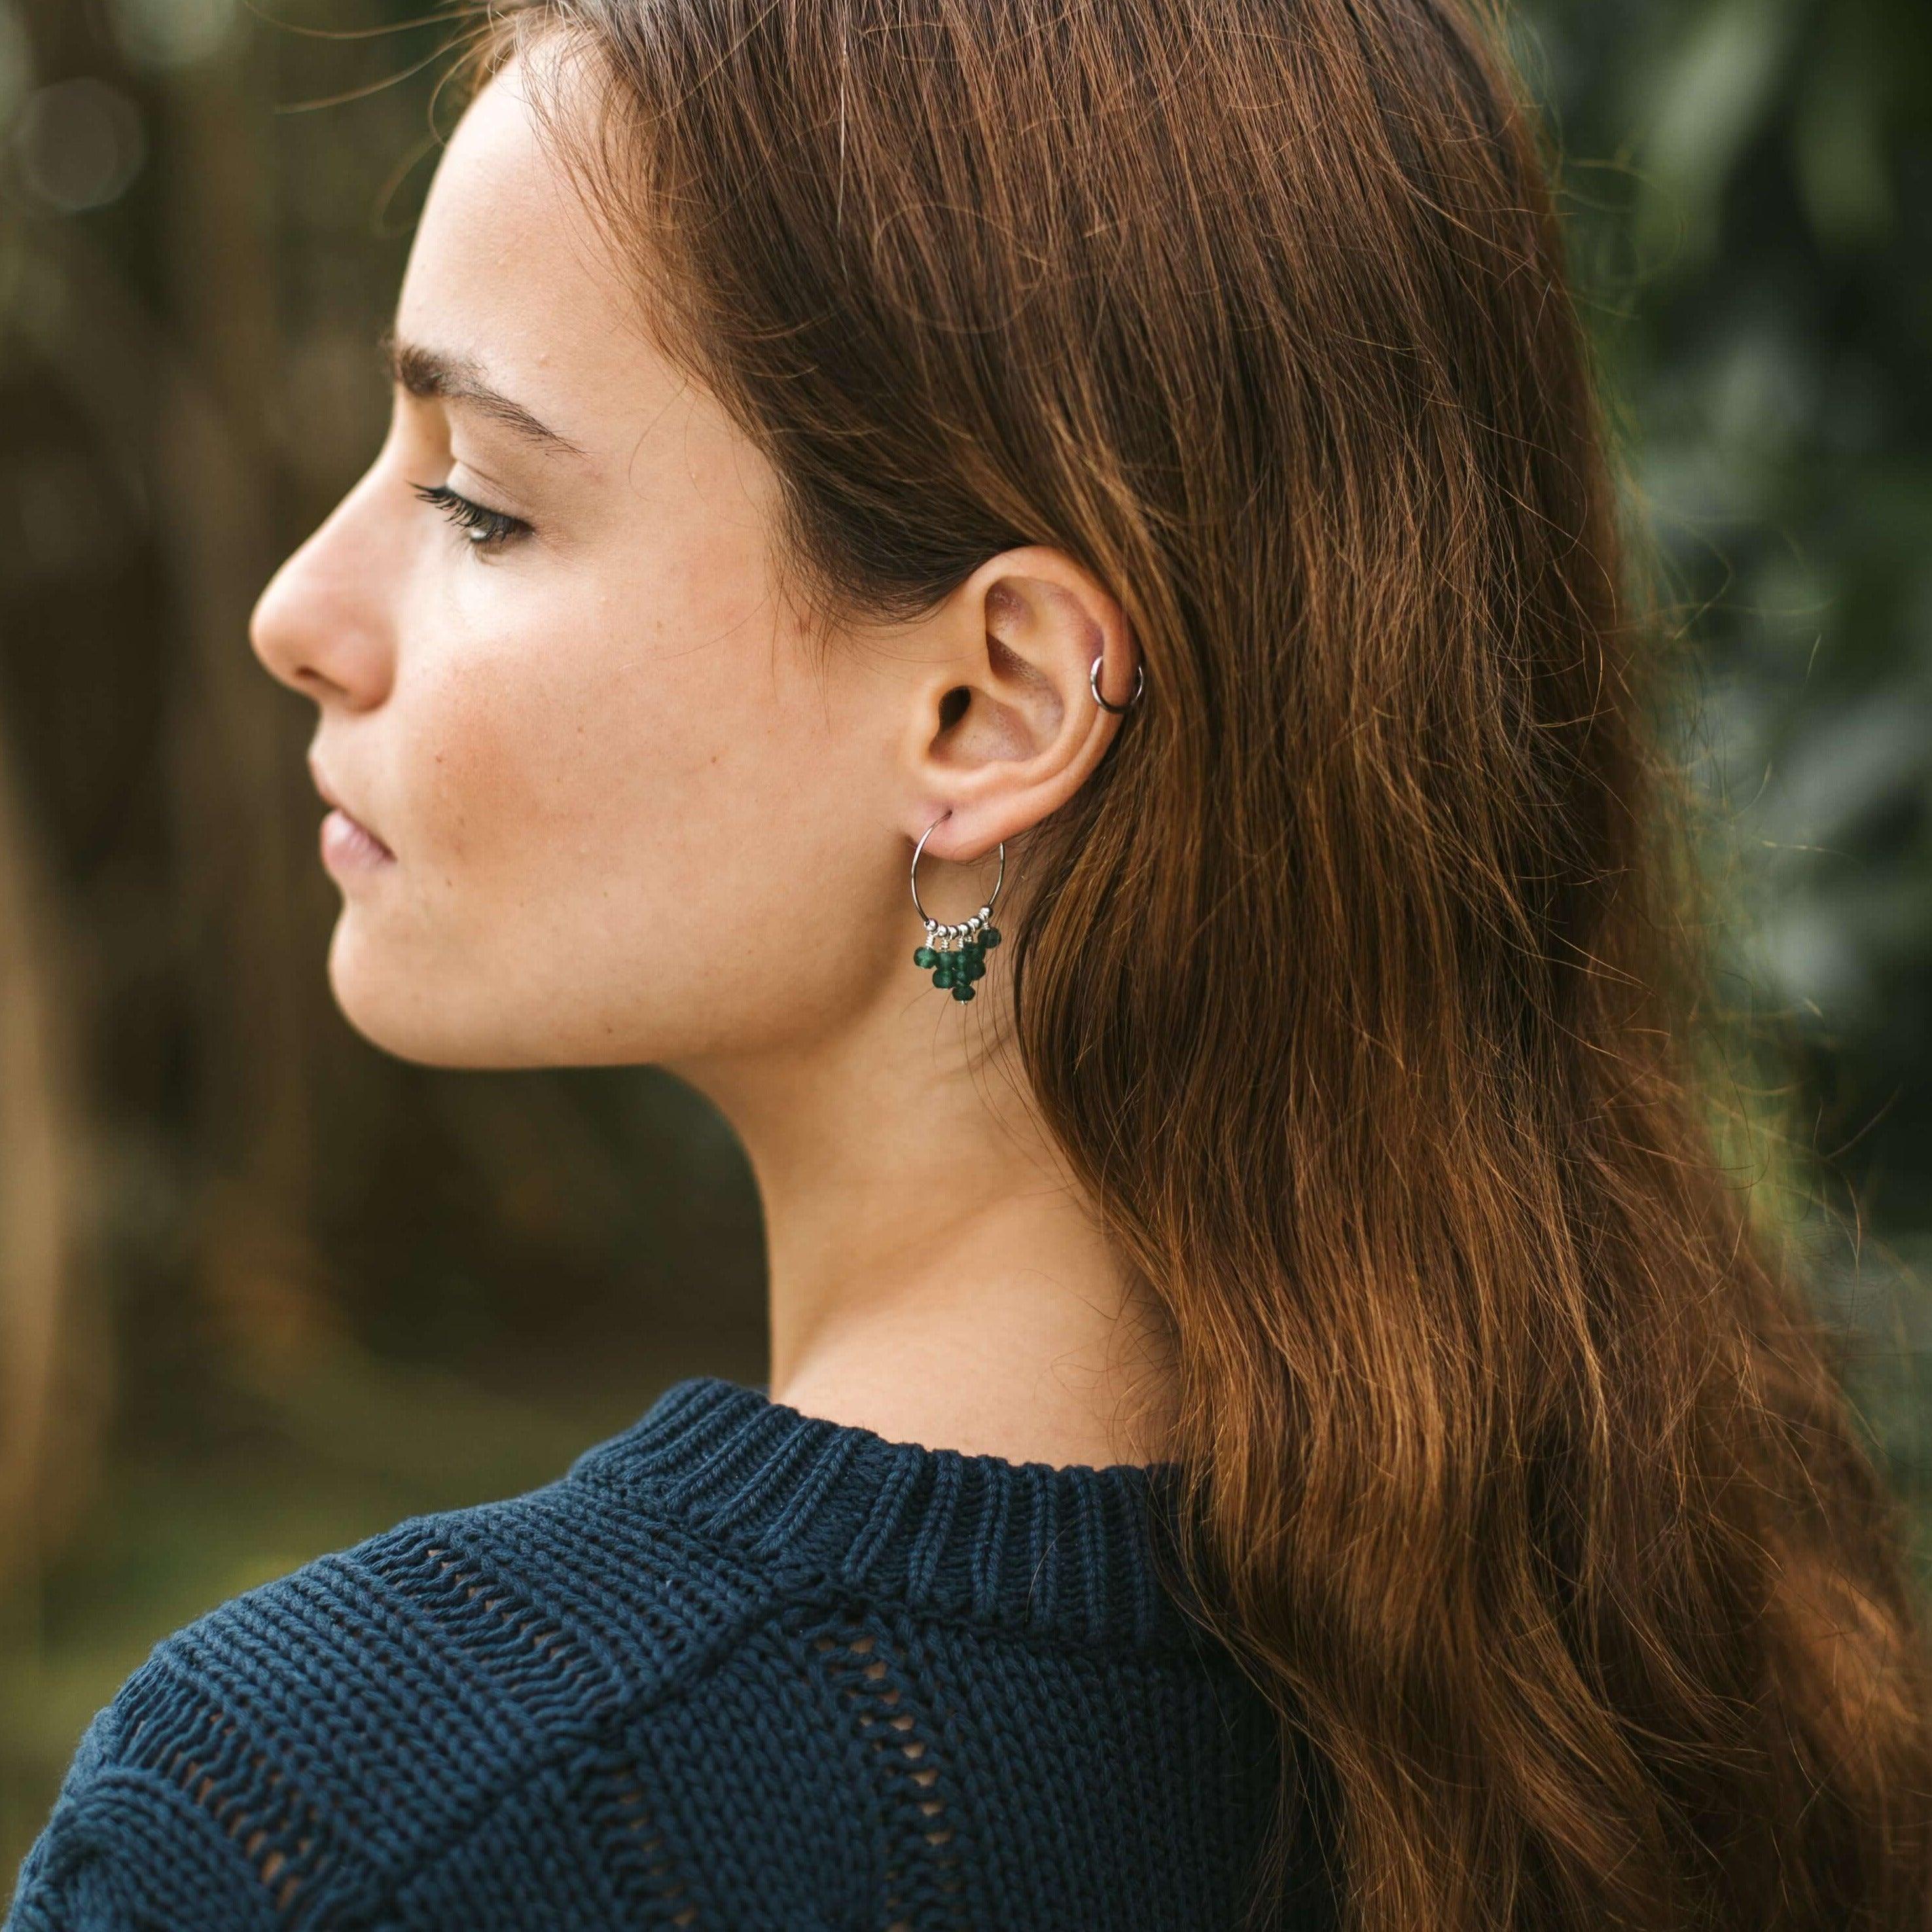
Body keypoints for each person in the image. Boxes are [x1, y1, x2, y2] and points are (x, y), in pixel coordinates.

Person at [9, 1, 1932, 1927]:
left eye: (478, 501)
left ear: (993, 704)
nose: (298, 612)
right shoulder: (1714, 1668)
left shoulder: (335, 1831)